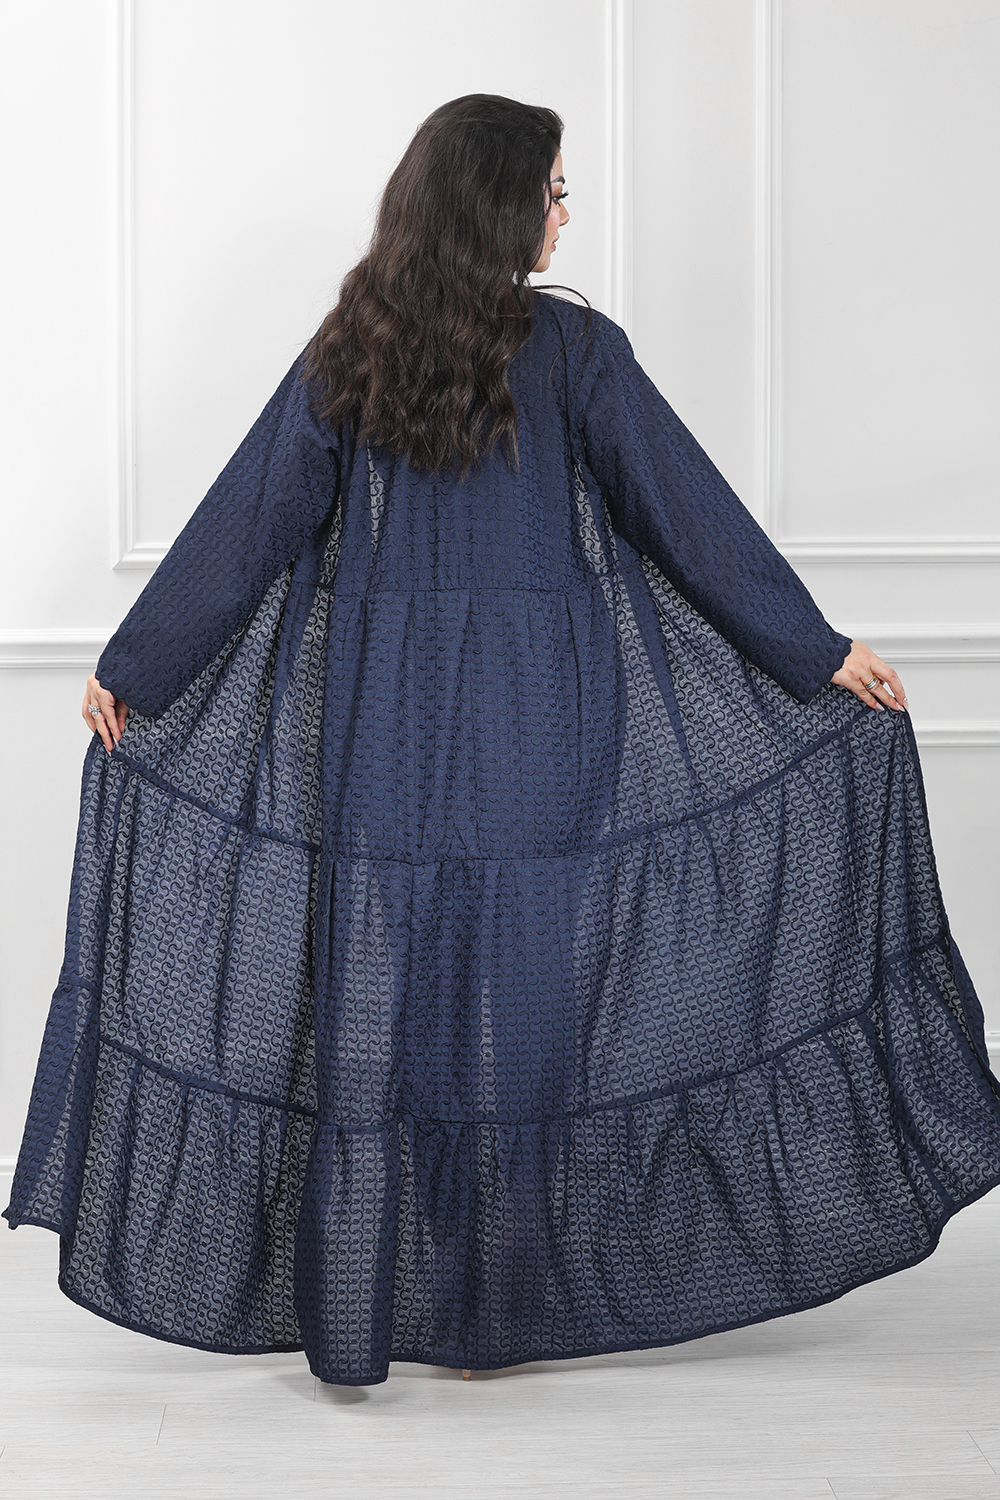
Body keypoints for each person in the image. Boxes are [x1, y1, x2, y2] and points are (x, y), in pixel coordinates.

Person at [5, 95, 999, 1390]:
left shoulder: (357, 350)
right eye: (554, 190)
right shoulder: (570, 351)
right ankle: (494, 1313)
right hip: (542, 726)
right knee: (525, 1017)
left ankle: (375, 1310)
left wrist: (138, 666)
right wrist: (812, 651)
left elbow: (249, 520)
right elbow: (685, 516)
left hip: (387, 735)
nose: (566, 214)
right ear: (498, 204)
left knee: (383, 1007)